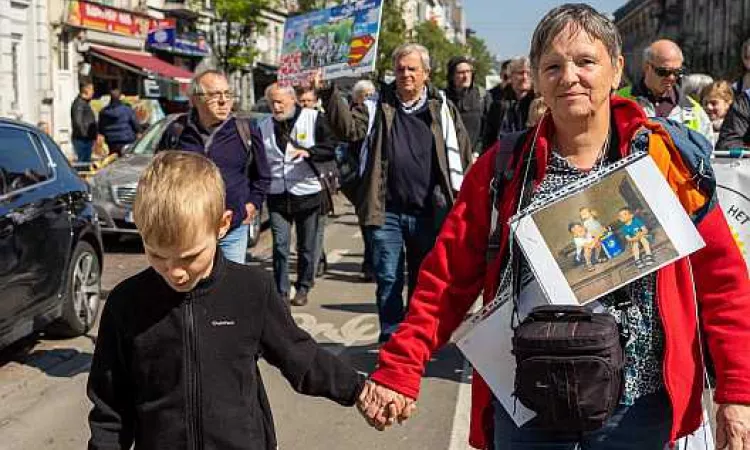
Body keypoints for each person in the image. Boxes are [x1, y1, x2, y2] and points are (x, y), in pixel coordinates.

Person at [356, 4, 750, 450]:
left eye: (585, 61)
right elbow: (445, 279)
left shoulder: (663, 163)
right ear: (539, 77)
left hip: (638, 411)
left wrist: (737, 393)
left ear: (617, 67)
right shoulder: (501, 170)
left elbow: (723, 281)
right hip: (531, 401)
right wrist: (401, 366)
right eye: (553, 65)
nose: (569, 77)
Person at [87, 151, 364, 450]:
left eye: (189, 256)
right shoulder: (126, 304)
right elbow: (110, 408)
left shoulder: (251, 289)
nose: (175, 272)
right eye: (157, 255)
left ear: (222, 225)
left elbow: (301, 356)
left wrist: (360, 390)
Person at [316, 43, 473, 343]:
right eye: (400, 69)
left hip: (429, 211)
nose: (405, 75)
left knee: (422, 280)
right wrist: (328, 94)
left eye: (412, 69)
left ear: (426, 73)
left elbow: (462, 155)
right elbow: (347, 129)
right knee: (388, 277)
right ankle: (390, 336)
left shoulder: (442, 109)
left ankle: (413, 338)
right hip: (385, 209)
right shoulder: (376, 105)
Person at [157, 69, 270, 265]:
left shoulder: (245, 130)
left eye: (227, 94)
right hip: (188, 227)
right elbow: (160, 175)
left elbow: (263, 176)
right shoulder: (177, 131)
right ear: (195, 99)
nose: (223, 101)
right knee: (192, 287)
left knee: (228, 290)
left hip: (232, 227)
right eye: (215, 95)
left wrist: (251, 205)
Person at [260, 83, 336, 307]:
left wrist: (309, 152)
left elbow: (331, 147)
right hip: (277, 194)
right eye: (272, 102)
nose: (276, 106)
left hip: (307, 193)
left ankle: (303, 286)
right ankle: (282, 290)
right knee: (280, 245)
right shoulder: (263, 125)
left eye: (280, 101)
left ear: (292, 100)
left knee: (306, 246)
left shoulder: (313, 118)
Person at [618, 39, 714, 142]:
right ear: (647, 67)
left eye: (677, 72)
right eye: (664, 72)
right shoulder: (619, 100)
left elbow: (708, 151)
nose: (672, 78)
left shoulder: (693, 110)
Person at [296, 85, 329, 280]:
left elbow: (330, 149)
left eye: (309, 101)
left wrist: (311, 154)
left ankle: (315, 265)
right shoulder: (293, 122)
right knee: (307, 234)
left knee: (317, 228)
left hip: (319, 183)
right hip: (295, 186)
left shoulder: (321, 121)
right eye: (302, 101)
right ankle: (316, 260)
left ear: (316, 102)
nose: (305, 105)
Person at [481, 56, 534, 150]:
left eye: (528, 73)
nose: (524, 77)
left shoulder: (539, 104)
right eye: (520, 73)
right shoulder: (499, 104)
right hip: (504, 156)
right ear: (511, 76)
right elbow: (488, 138)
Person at [446, 56, 484, 154]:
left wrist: (477, 152)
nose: (466, 76)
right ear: (452, 76)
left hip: (476, 157)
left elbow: (488, 131)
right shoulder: (443, 99)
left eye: (468, 71)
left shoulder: (482, 97)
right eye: (461, 72)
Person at [98, 88, 141, 156]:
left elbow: (101, 127)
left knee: (113, 159)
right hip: (126, 140)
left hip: (111, 141)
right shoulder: (127, 110)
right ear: (120, 97)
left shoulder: (103, 112)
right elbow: (135, 124)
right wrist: (139, 132)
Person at [70, 80, 97, 163]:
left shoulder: (84, 103)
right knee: (83, 163)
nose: (93, 92)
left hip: (85, 139)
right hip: (82, 140)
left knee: (86, 162)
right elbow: (78, 121)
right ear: (86, 90)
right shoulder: (79, 104)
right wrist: (85, 135)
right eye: (92, 90)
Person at [701, 80, 734, 146]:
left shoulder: (737, 127)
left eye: (714, 103)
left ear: (728, 103)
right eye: (705, 103)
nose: (708, 107)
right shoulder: (700, 125)